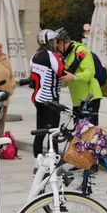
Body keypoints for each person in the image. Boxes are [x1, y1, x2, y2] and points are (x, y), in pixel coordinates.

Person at [29, 30, 65, 158]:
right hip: (51, 100)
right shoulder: (51, 56)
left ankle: (37, 162)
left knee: (40, 132)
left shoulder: (34, 56)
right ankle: (53, 164)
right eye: (55, 40)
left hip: (38, 99)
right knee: (53, 133)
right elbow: (62, 72)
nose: (56, 43)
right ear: (50, 42)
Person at [54, 29, 102, 124]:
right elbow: (66, 79)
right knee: (78, 132)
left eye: (56, 45)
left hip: (90, 96)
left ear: (62, 43)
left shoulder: (80, 50)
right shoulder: (67, 55)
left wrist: (75, 77)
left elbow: (90, 72)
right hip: (77, 99)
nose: (55, 48)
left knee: (88, 132)